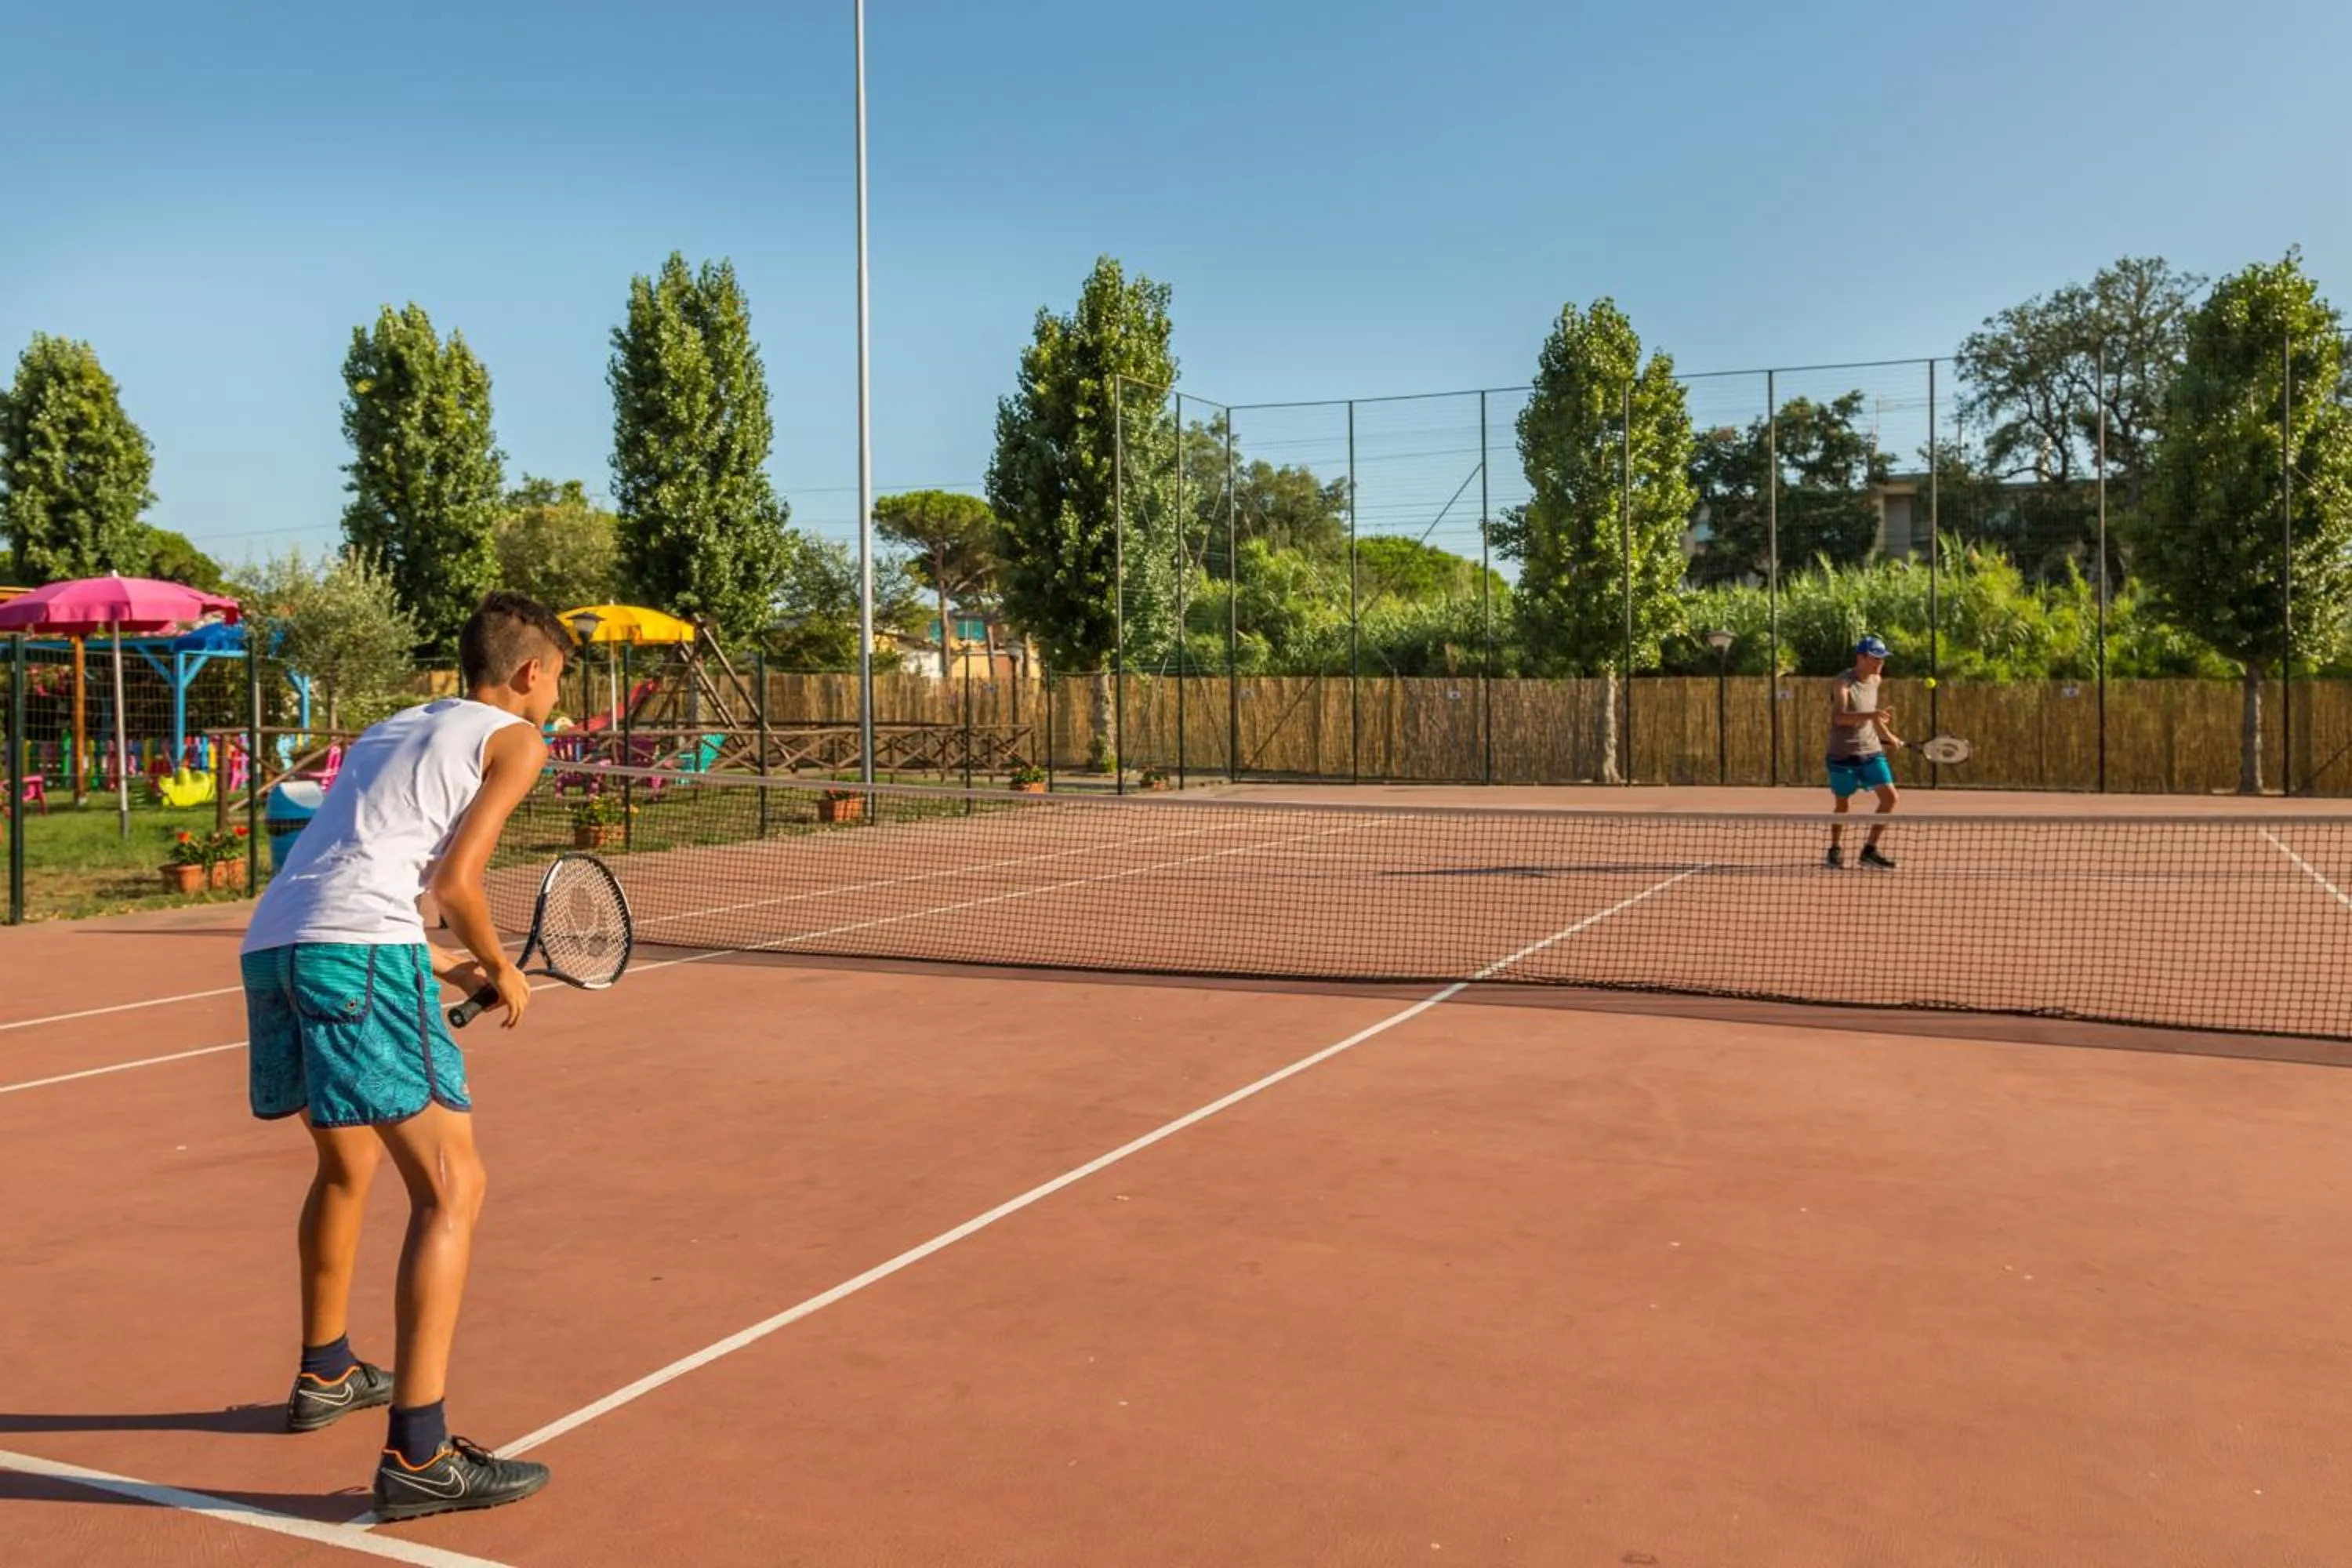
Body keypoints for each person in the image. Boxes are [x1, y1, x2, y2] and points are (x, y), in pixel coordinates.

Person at [239, 592, 569, 1523]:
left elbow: (353, 877)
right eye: (559, 680)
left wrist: (453, 966)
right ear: (531, 671)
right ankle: (421, 1453)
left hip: (276, 944)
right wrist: (498, 963)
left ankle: (327, 1369)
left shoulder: (394, 728)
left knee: (346, 1162)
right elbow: (456, 883)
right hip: (355, 948)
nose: (556, 700)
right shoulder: (516, 738)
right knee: (452, 1186)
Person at [1825, 633, 1904, 869]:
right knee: (1843, 805)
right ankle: (1835, 848)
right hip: (1842, 753)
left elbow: (1873, 716)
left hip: (1871, 751)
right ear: (1861, 658)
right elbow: (1839, 718)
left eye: (1882, 658)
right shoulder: (1843, 682)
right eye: (1875, 658)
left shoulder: (1876, 680)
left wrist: (1888, 736)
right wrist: (1872, 715)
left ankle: (1869, 850)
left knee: (1890, 798)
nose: (1880, 662)